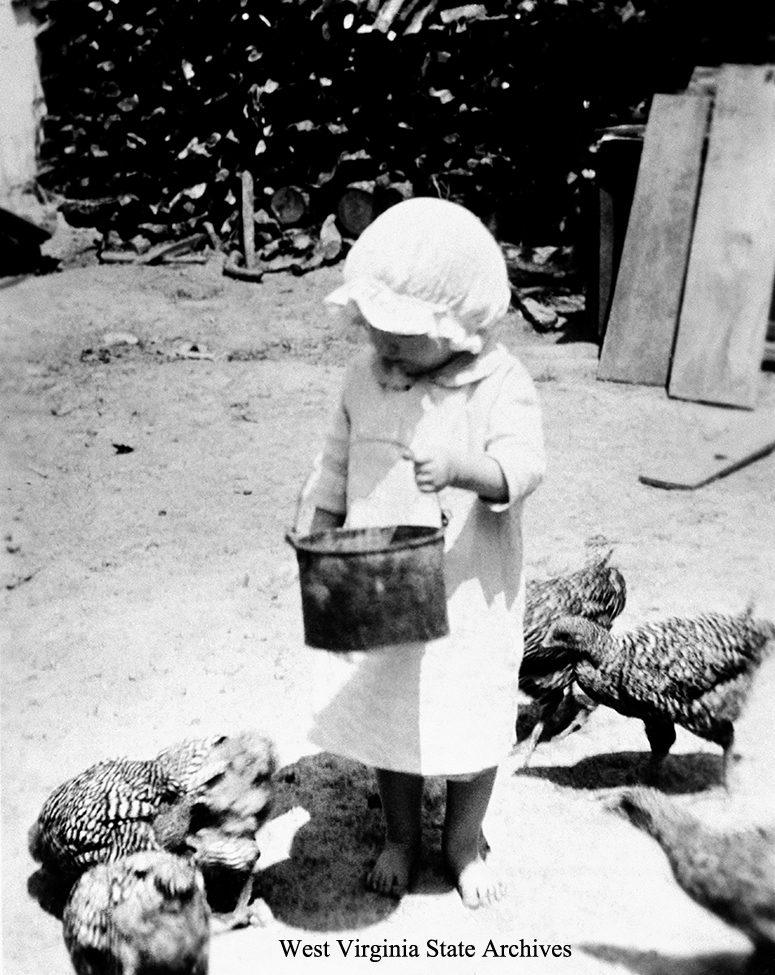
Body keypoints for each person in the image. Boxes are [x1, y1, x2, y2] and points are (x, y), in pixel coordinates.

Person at [305, 197, 546, 909]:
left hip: (470, 587)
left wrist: (465, 468)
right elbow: (333, 463)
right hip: (385, 581)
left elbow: (523, 466)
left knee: (472, 713)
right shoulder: (364, 377)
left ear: (459, 323)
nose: (386, 346)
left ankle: (463, 838)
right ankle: (402, 835)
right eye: (375, 330)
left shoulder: (499, 382)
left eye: (405, 336)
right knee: (392, 710)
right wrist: (320, 532)